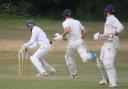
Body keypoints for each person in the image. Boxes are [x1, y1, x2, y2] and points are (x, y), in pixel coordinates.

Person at [53, 9, 97, 79]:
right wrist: (80, 38)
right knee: (84, 57)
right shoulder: (77, 22)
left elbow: (67, 30)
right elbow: (85, 31)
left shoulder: (65, 22)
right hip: (80, 41)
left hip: (72, 44)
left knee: (68, 57)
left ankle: (74, 74)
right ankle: (91, 55)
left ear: (65, 16)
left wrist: (61, 36)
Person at [94, 4, 124, 87]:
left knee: (108, 63)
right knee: (100, 63)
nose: (104, 12)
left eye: (105, 11)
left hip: (111, 44)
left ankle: (113, 83)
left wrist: (115, 34)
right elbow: (108, 33)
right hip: (106, 44)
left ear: (107, 11)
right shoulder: (108, 20)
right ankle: (107, 79)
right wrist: (100, 35)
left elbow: (121, 27)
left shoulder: (112, 19)